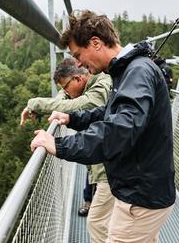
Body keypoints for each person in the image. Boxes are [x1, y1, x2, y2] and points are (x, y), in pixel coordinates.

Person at [30, 10, 175, 243]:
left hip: (140, 197)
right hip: (139, 189)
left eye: (78, 54)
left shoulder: (137, 72)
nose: (78, 63)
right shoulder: (127, 71)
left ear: (96, 43)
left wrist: (59, 145)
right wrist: (73, 119)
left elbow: (119, 130)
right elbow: (110, 113)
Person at [21, 57, 115, 243]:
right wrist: (63, 95)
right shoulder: (86, 84)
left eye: (65, 86)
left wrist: (35, 104)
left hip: (111, 170)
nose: (64, 92)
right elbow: (64, 99)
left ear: (78, 80)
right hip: (106, 164)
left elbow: (74, 106)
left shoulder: (102, 85)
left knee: (97, 223)